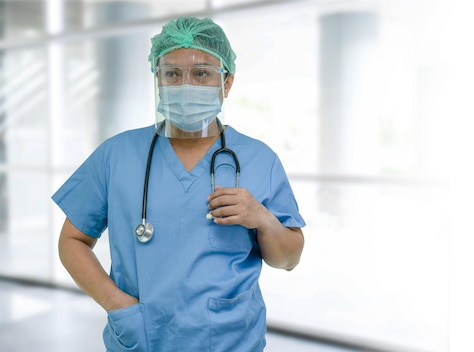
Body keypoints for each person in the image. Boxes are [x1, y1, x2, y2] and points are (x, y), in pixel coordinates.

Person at [52, 16, 305, 351]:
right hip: (142, 337)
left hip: (231, 340)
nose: (185, 84)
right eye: (171, 73)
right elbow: (72, 240)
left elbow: (288, 259)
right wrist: (116, 303)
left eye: (201, 72)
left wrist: (262, 218)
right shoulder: (117, 154)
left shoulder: (260, 159)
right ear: (158, 80)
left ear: (226, 83)